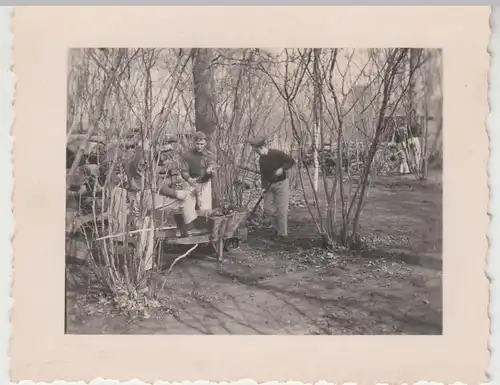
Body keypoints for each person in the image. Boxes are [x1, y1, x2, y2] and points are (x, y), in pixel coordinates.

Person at [110, 134, 199, 272]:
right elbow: (158, 186)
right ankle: (190, 227)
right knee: (185, 197)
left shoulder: (129, 161)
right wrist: (176, 193)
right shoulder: (145, 161)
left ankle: (144, 266)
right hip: (146, 197)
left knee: (145, 229)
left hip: (135, 198)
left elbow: (127, 180)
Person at [248, 136, 296, 241]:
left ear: (261, 147)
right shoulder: (261, 160)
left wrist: (282, 168)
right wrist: (263, 188)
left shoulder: (276, 154)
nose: (255, 152)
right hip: (269, 185)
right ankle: (276, 227)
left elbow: (291, 161)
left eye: (255, 149)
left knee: (281, 210)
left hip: (281, 184)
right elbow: (263, 176)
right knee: (267, 208)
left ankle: (282, 234)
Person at [180, 131, 216, 211]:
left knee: (205, 210)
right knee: (188, 210)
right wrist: (189, 179)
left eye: (201, 144)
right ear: (194, 143)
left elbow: (213, 171)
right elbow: (184, 170)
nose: (199, 146)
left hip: (204, 184)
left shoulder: (209, 155)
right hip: (190, 183)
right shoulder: (187, 155)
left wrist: (209, 172)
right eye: (197, 144)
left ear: (205, 143)